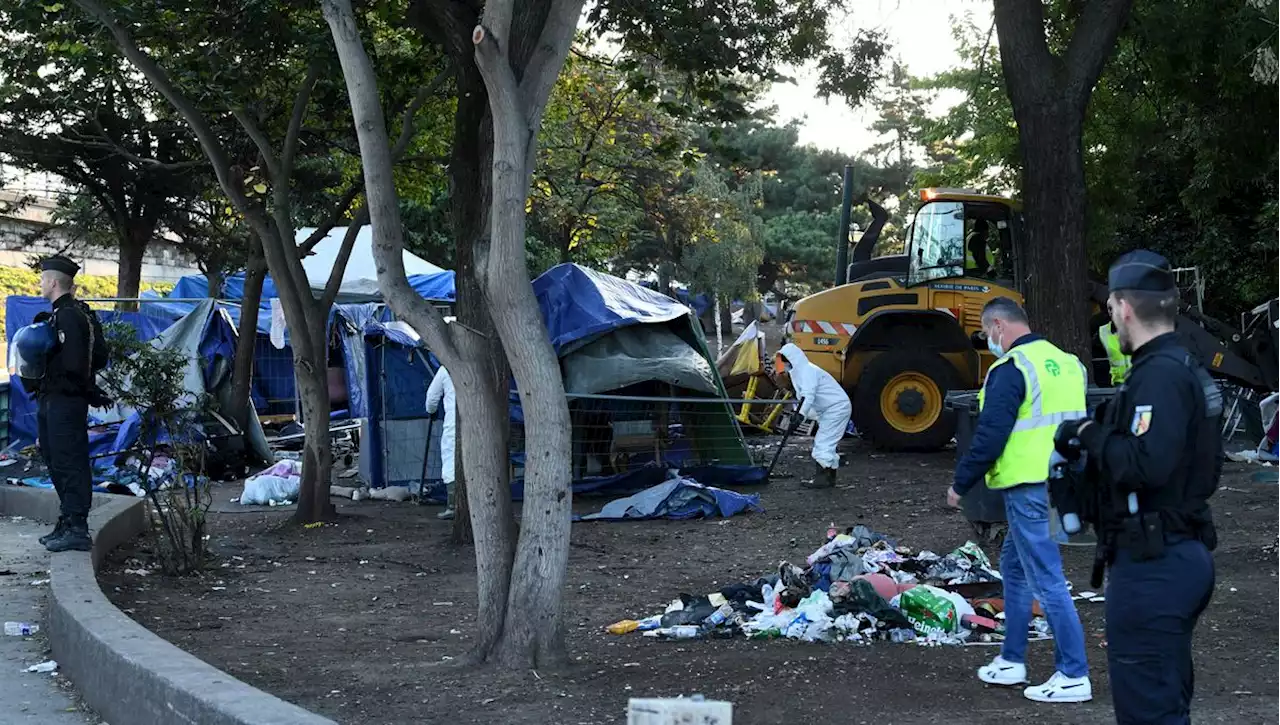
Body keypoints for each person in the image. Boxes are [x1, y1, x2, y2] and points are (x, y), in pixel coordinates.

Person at [1060, 250, 1218, 724]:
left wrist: (1087, 433)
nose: (1111, 323)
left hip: (1156, 564)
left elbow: (1145, 464)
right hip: (1173, 551)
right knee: (1164, 701)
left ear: (1124, 308)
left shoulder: (1161, 376)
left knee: (1149, 710)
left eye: (1110, 312)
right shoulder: (1182, 368)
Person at [948, 297, 1092, 703]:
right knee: (1014, 566)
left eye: (984, 331)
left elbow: (990, 434)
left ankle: (1073, 674)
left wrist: (961, 484)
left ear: (998, 325)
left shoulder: (1011, 369)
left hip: (1027, 485)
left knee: (1047, 580)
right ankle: (1012, 660)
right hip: (1058, 483)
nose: (986, 339)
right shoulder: (1067, 363)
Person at [34, 256, 97, 552]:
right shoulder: (59, 314)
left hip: (66, 400)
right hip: (53, 398)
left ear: (54, 282)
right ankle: (67, 519)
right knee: (55, 460)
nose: (40, 283)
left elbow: (78, 362)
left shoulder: (71, 315)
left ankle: (78, 528)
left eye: (43, 279)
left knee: (69, 462)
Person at [775, 343, 851, 488]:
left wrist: (801, 415)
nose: (784, 365)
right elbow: (804, 397)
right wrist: (800, 415)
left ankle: (822, 480)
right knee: (826, 443)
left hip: (836, 409)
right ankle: (829, 478)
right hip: (829, 409)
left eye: (785, 361)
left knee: (823, 444)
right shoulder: (798, 373)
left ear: (792, 360)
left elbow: (808, 395)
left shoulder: (807, 372)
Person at [425, 364, 457, 520]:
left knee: (451, 460)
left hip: (454, 423)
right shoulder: (481, 362)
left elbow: (432, 396)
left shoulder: (446, 368)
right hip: (480, 423)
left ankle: (453, 505)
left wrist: (431, 411)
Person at [1099, 319, 1131, 385]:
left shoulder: (1137, 326)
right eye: (1109, 308)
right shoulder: (1103, 331)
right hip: (1118, 381)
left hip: (1137, 377)